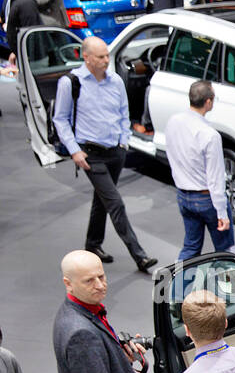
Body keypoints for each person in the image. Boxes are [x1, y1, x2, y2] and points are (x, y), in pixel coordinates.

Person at [51, 37, 157, 273]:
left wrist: (123, 141)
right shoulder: (71, 83)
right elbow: (60, 119)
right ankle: (139, 255)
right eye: (100, 57)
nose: (106, 60)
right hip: (90, 155)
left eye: (107, 55)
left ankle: (92, 246)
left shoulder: (116, 81)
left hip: (115, 152)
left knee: (102, 201)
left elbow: (123, 112)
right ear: (86, 57)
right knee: (115, 202)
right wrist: (75, 151)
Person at [164, 81, 233, 261]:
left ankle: (177, 287)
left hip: (184, 196)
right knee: (225, 252)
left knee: (190, 247)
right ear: (208, 102)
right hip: (207, 199)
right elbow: (215, 177)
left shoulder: (174, 121)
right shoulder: (210, 135)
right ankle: (230, 288)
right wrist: (222, 213)